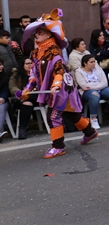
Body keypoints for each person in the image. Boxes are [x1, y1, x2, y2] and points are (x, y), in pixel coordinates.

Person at [18, 10, 98, 158]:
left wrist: (55, 85)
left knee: (53, 116)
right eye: (36, 32)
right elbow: (34, 74)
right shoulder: (37, 53)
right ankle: (90, 132)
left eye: (40, 32)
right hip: (57, 89)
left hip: (61, 89)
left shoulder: (54, 52)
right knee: (72, 114)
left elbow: (59, 70)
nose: (36, 35)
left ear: (49, 34)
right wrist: (28, 88)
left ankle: (58, 146)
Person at [75, 54, 109, 129]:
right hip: (87, 92)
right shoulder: (79, 71)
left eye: (94, 62)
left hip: (102, 89)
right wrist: (97, 85)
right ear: (85, 63)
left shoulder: (98, 68)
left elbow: (105, 82)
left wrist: (93, 86)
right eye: (91, 62)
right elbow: (83, 86)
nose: (94, 64)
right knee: (94, 95)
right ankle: (93, 118)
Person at [9, 58, 35, 139]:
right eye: (27, 63)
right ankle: (22, 129)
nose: (30, 65)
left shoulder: (38, 73)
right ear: (22, 65)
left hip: (38, 97)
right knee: (27, 103)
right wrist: (19, 92)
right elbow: (12, 87)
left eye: (31, 63)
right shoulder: (16, 75)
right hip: (22, 99)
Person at [0, 61, 10, 141]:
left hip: (2, 101)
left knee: (1, 108)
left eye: (2, 64)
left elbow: (6, 89)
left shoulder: (4, 76)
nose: (2, 66)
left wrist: (2, 98)